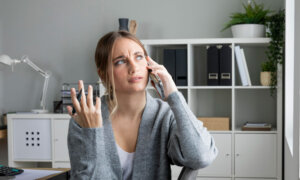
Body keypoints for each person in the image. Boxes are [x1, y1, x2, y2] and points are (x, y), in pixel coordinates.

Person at [67, 31, 218, 180]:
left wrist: (174, 95)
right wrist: (92, 132)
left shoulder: (164, 115)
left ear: (149, 64)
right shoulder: (85, 120)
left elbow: (201, 157)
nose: (134, 67)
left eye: (139, 57)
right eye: (120, 61)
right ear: (103, 74)